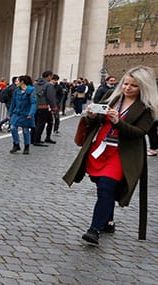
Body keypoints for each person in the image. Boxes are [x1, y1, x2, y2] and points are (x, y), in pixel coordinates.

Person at [63, 66, 158, 245]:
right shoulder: (113, 98)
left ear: (143, 88)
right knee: (103, 185)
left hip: (122, 153)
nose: (127, 88)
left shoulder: (147, 108)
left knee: (106, 186)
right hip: (100, 149)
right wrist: (91, 116)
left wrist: (118, 122)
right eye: (126, 84)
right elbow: (97, 120)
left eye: (134, 86)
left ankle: (94, 230)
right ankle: (108, 220)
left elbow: (139, 132)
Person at [8, 75, 37, 154]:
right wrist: (10, 113)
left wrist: (31, 113)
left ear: (22, 82)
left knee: (25, 130)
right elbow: (13, 103)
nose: (16, 83)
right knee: (13, 127)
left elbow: (33, 103)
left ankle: (26, 146)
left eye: (17, 81)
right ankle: (16, 144)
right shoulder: (17, 91)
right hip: (17, 112)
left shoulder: (31, 90)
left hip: (26, 113)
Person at [32, 70, 57, 146]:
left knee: (35, 123)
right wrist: (54, 108)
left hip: (35, 107)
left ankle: (32, 139)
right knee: (41, 124)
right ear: (49, 76)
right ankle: (37, 140)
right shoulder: (49, 85)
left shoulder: (35, 84)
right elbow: (50, 98)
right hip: (44, 107)